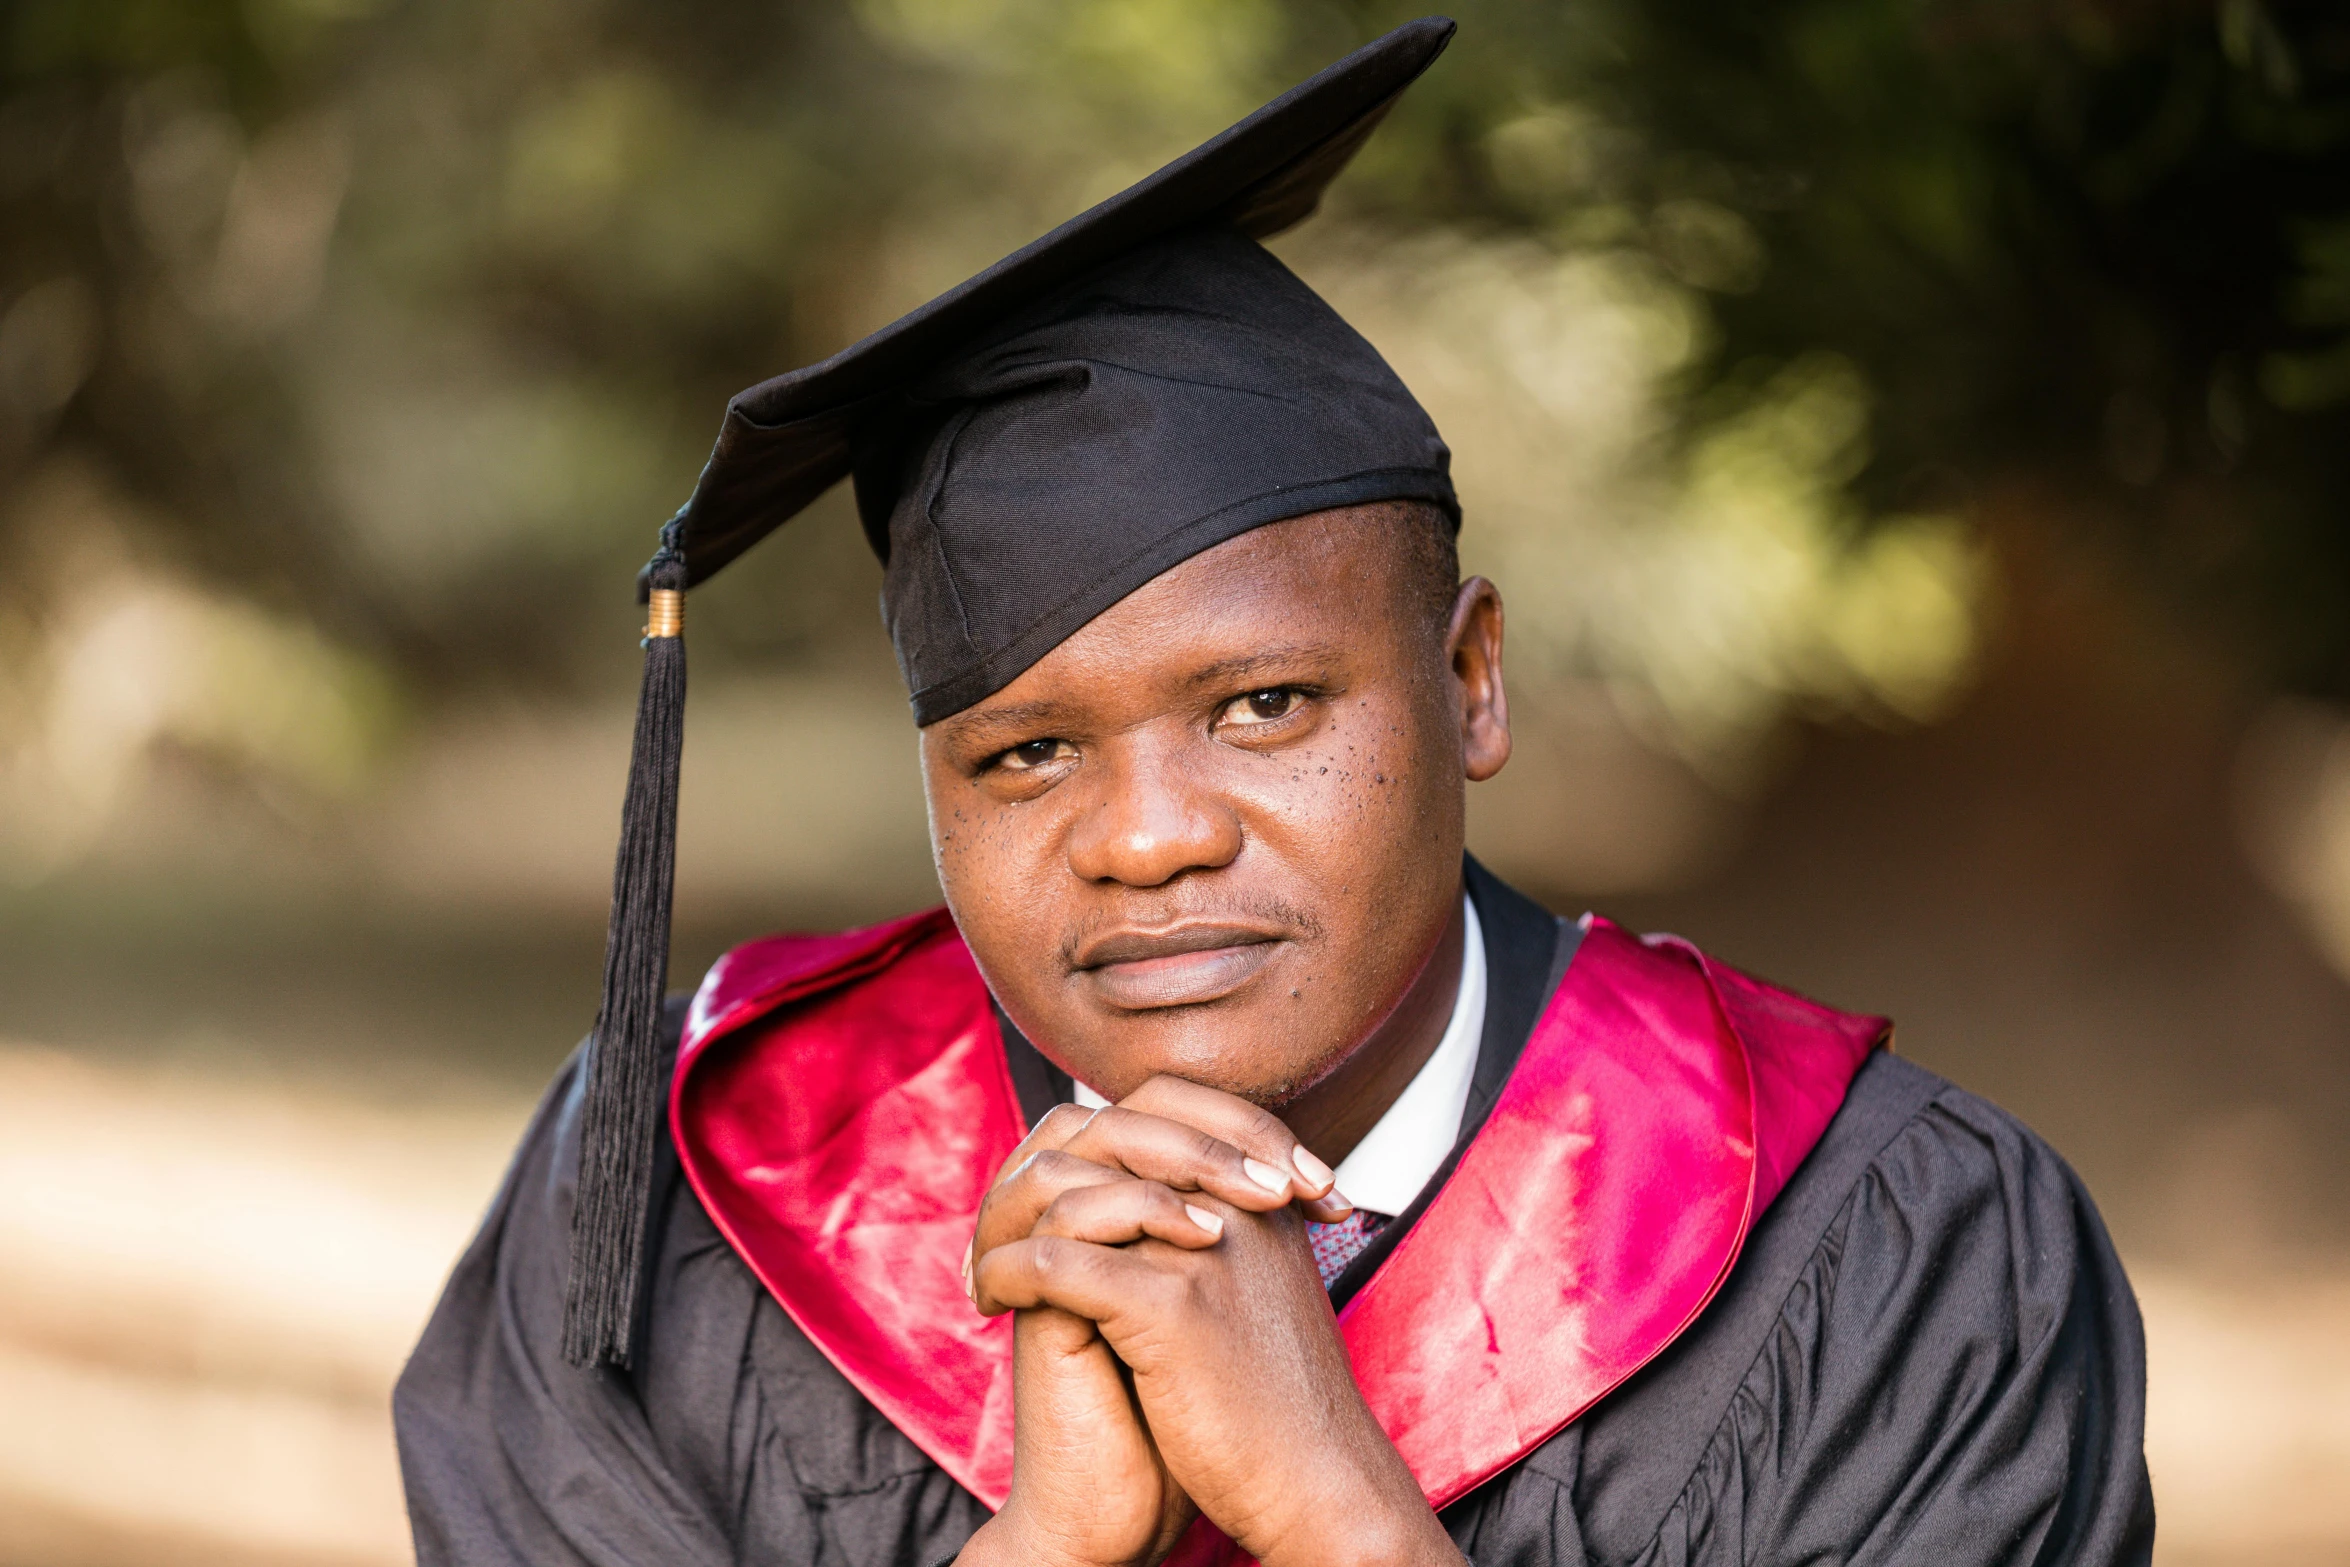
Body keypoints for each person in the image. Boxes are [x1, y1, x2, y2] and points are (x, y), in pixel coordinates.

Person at [393, 18, 2154, 1567]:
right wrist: (1052, 1545)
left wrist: (1335, 1511)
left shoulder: (1896, 1253)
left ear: (1469, 682)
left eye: (1260, 706)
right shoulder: (679, 1199)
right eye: (1024, 751)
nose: (1147, 835)